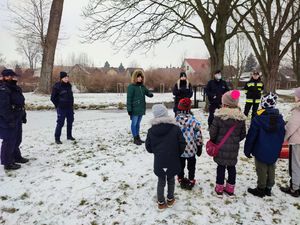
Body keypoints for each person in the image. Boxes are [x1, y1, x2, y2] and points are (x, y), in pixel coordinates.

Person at [145, 104, 186, 210]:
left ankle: (161, 202)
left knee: (161, 180)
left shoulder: (151, 131)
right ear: (166, 113)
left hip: (160, 161)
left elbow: (148, 147)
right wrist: (177, 153)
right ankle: (170, 199)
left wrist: (157, 152)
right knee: (171, 179)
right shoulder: (175, 128)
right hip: (172, 160)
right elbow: (182, 143)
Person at [244, 92, 285, 198]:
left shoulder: (258, 119)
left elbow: (251, 136)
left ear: (263, 104)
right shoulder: (280, 119)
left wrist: (247, 150)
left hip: (260, 149)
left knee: (261, 168)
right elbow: (282, 135)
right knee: (271, 166)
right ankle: (269, 187)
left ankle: (261, 188)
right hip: (274, 149)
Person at [209, 90, 246, 197]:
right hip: (233, 148)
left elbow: (213, 133)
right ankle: (230, 189)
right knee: (231, 167)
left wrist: (215, 141)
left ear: (224, 103)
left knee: (221, 167)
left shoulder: (219, 116)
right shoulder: (240, 118)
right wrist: (234, 141)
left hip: (220, 148)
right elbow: (243, 134)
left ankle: (219, 189)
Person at [0, 69, 28, 170]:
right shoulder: (3, 89)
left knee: (17, 139)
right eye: (12, 76)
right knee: (8, 140)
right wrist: (10, 119)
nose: (15, 78)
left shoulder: (15, 88)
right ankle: (7, 163)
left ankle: (16, 156)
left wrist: (23, 115)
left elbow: (21, 103)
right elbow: (3, 108)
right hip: (7, 119)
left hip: (17, 116)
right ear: (6, 77)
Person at [175, 98, 203, 190]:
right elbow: (198, 135)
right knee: (191, 165)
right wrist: (199, 146)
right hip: (191, 149)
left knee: (180, 165)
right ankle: (191, 179)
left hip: (180, 149)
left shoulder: (175, 121)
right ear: (189, 109)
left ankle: (180, 177)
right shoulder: (194, 121)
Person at [280, 87, 300, 197]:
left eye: (296, 95)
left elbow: (292, 126)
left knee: (295, 164)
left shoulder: (298, 110)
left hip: (297, 141)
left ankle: (295, 188)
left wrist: (284, 138)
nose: (294, 97)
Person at [127, 69, 153, 145]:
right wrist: (129, 109)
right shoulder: (131, 87)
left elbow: (147, 92)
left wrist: (150, 94)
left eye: (141, 77)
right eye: (138, 77)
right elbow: (129, 99)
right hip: (134, 109)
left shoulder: (142, 87)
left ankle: (138, 137)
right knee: (134, 124)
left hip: (141, 108)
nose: (140, 78)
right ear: (135, 78)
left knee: (138, 124)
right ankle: (135, 138)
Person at [51, 71, 75, 144]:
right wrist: (58, 105)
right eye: (65, 78)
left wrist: (71, 105)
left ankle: (69, 136)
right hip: (61, 108)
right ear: (61, 78)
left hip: (69, 108)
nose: (66, 79)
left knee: (70, 122)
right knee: (60, 123)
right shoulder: (57, 86)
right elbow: (52, 98)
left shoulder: (69, 85)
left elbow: (71, 96)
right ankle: (57, 138)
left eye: (67, 77)